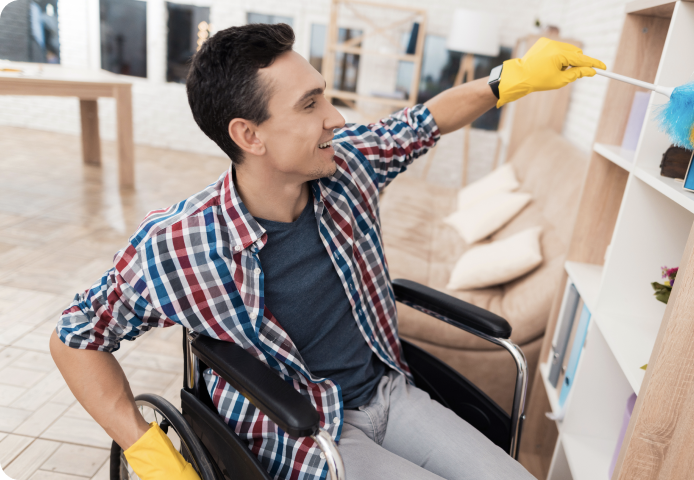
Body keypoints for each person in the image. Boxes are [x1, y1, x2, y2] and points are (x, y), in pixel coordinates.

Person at [49, 23, 604, 480]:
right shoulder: (180, 245)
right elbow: (74, 337)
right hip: (307, 436)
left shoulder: (346, 167)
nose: (336, 118)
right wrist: (153, 456)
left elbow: (422, 123)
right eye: (312, 104)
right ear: (249, 135)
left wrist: (510, 80)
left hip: (391, 393)